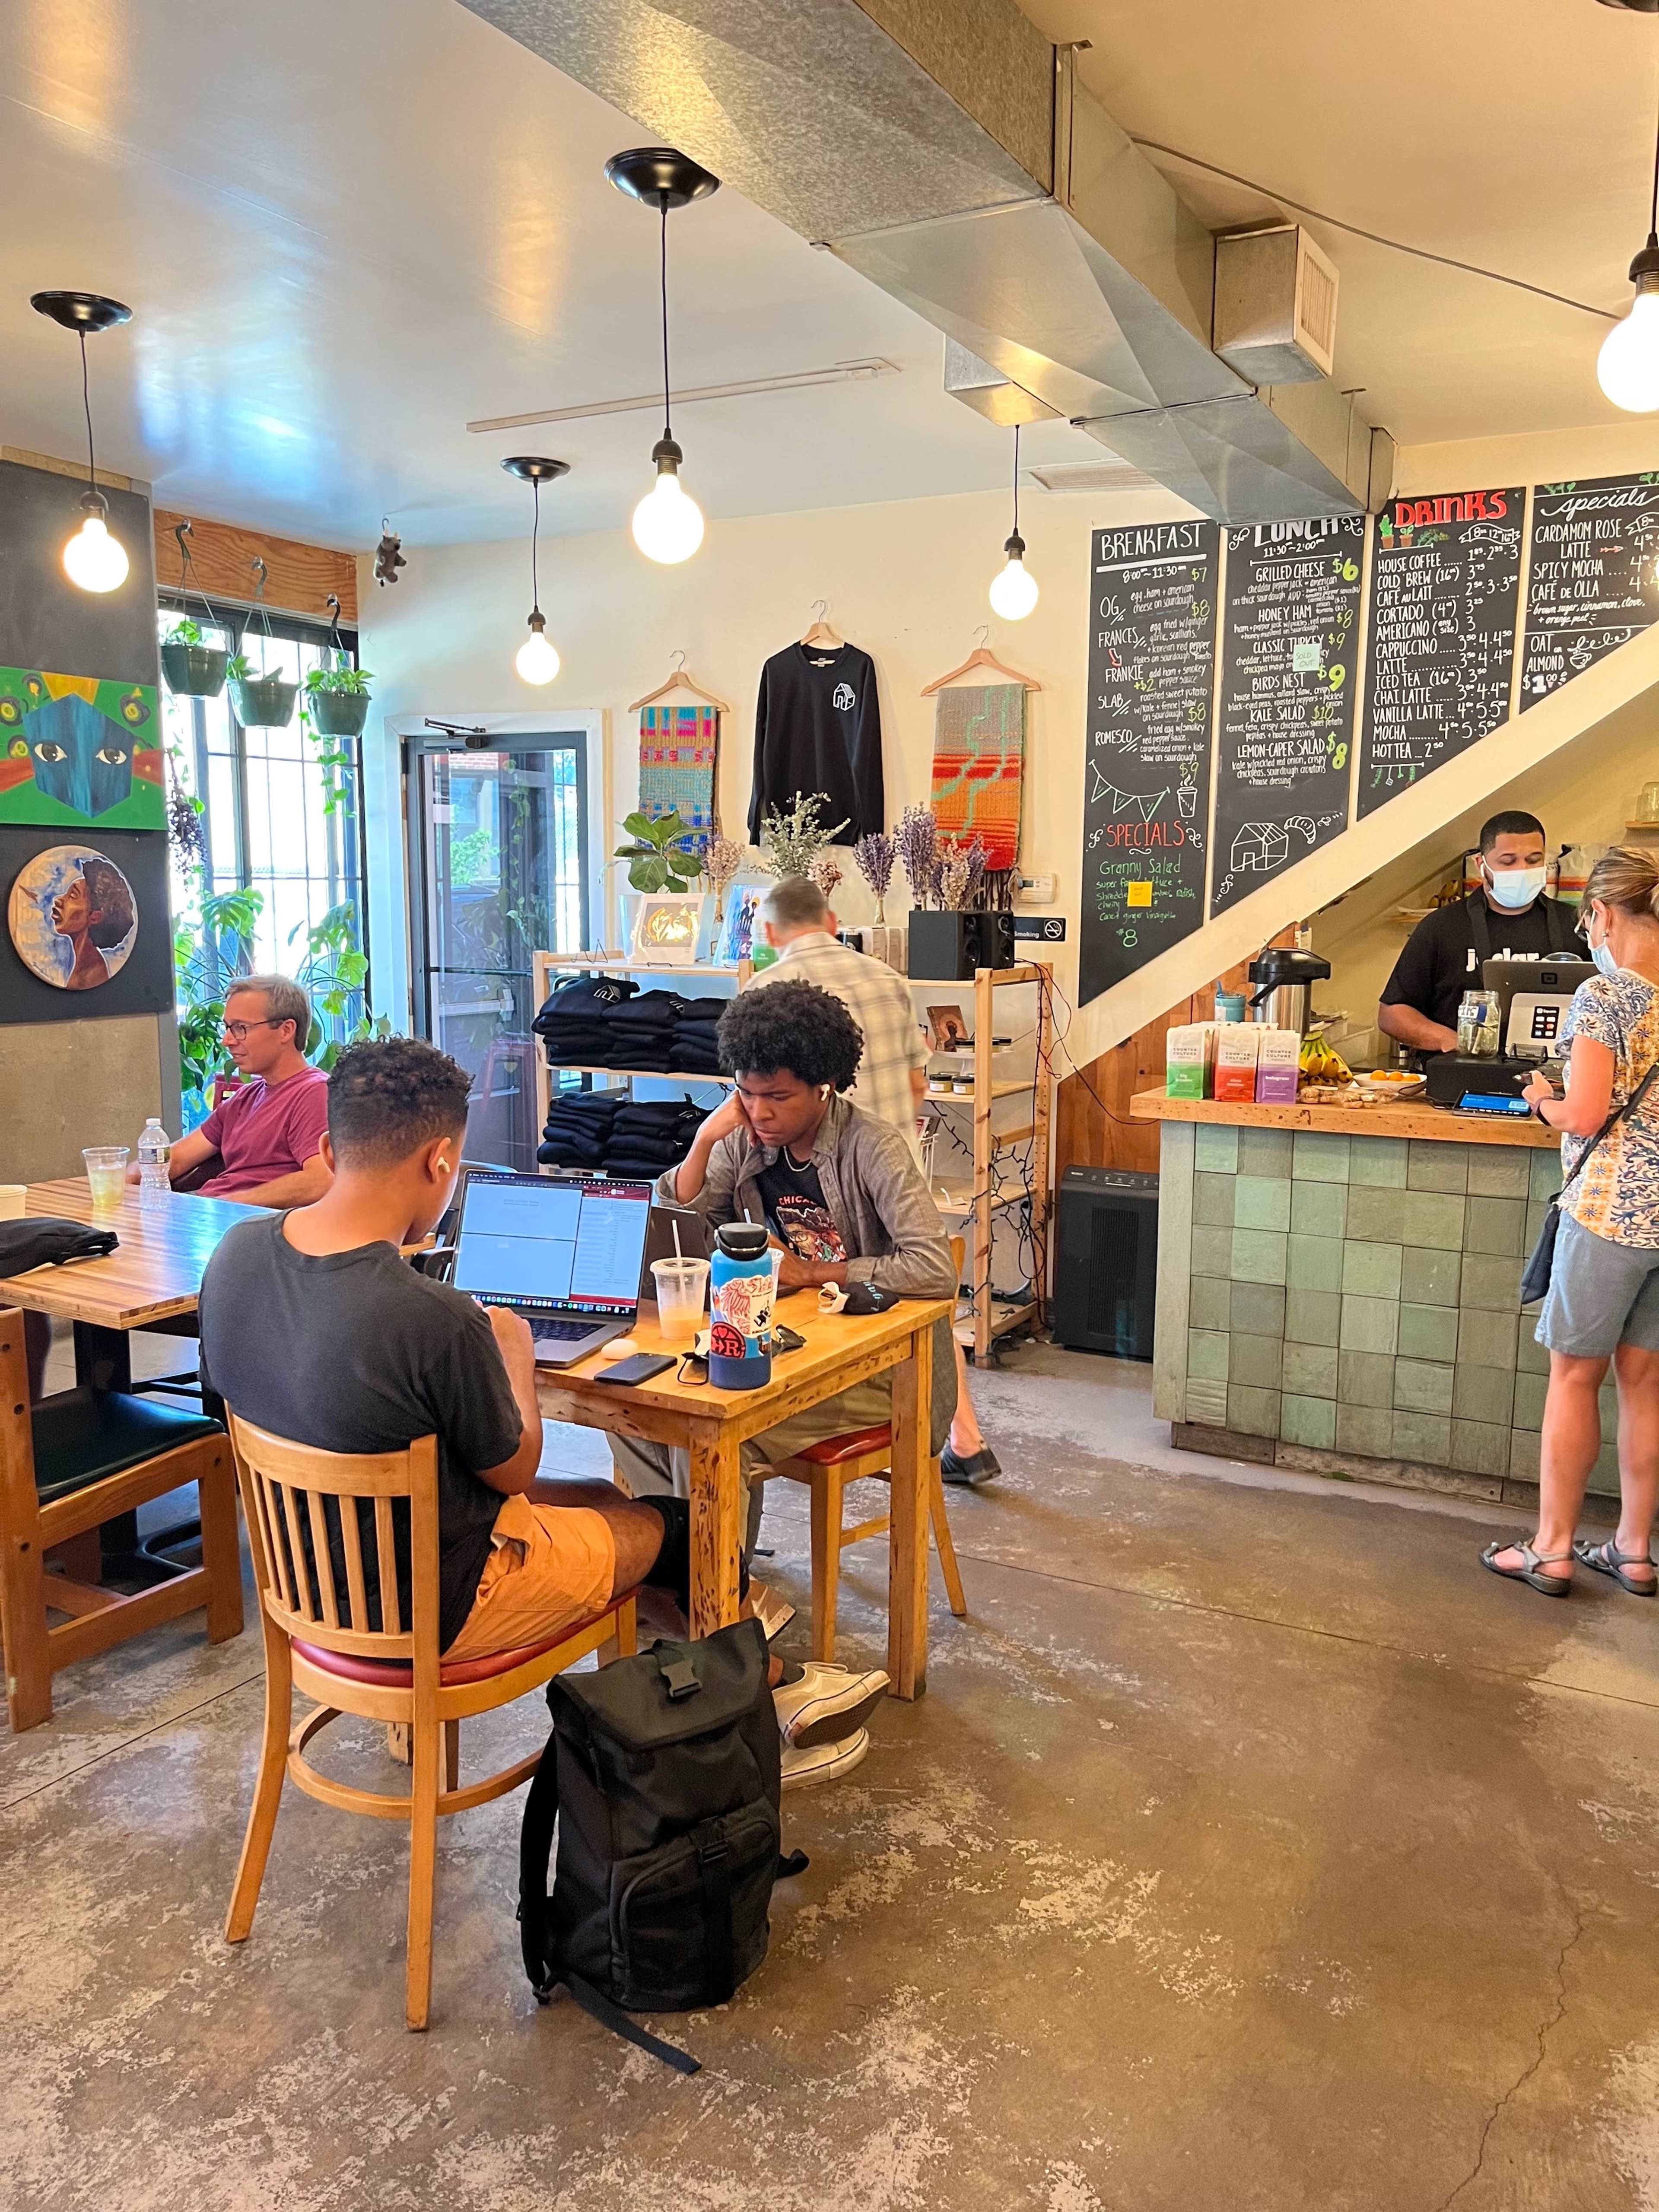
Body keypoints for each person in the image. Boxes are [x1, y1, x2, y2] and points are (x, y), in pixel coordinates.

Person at [197, 1035, 883, 1784]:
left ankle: (745, 1675)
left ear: (329, 1146)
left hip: (308, 1585)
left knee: (603, 1501)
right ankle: (756, 1715)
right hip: (440, 1603)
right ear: (440, 1163)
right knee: (682, 1533)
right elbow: (517, 1469)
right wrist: (515, 1358)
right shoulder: (435, 1317)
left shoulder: (232, 1260)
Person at [612, 979, 958, 1556]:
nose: (760, 1112)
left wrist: (814, 1274)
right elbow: (674, 1229)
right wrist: (702, 1142)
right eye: (747, 1094)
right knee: (640, 1416)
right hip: (786, 1350)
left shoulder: (874, 1147)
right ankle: (700, 1580)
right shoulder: (744, 1139)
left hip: (883, 1375)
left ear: (823, 1087)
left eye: (778, 1097)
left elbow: (934, 1269)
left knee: (718, 1436)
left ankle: (720, 1600)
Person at [747, 876, 1002, 1487]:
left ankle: (902, 1428)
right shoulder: (888, 980)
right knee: (920, 1306)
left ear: (770, 932)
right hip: (896, 1171)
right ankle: (956, 1436)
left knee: (842, 1302)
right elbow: (919, 1086)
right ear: (833, 922)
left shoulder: (763, 990)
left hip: (832, 1184)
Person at [1483, 849, 1659, 1599]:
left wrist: (1540, 1101)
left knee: (1575, 1378)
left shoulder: (1606, 995)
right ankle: (1634, 1550)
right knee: (1645, 1384)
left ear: (1606, 915)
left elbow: (1585, 1114)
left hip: (1611, 1213)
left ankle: (1552, 1549)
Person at [1378, 811, 1580, 1058]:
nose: (1522, 870)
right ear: (1481, 865)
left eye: (1533, 860)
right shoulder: (1441, 927)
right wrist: (1453, 1041)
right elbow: (1393, 1013)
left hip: (1556, 1079)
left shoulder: (1577, 925)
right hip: (1462, 1074)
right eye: (1508, 862)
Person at [151, 975, 332, 1206]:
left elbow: (321, 1180)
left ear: (286, 1031)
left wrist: (223, 1206)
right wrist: (122, 1182)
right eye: (228, 1028)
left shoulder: (314, 1093)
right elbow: (174, 1160)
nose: (227, 1041)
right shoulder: (245, 1097)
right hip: (206, 1210)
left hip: (242, 1222)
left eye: (240, 1028)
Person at [51, 856, 134, 991]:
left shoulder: (89, 977)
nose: (58, 900)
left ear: (95, 917)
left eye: (73, 896)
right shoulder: (82, 970)